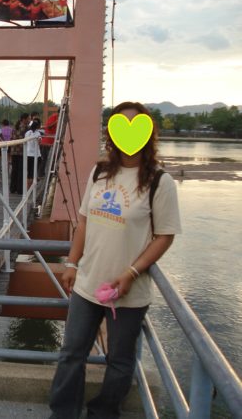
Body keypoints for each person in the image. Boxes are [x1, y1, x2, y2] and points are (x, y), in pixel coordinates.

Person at [49, 101, 181, 419]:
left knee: (119, 362)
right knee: (71, 354)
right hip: (88, 283)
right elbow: (83, 221)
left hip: (127, 292)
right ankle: (63, 412)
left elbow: (165, 235)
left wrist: (131, 273)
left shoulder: (160, 183)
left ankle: (103, 412)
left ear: (149, 135)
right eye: (122, 125)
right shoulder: (99, 172)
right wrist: (71, 263)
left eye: (137, 125)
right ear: (112, 133)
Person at [9, 113, 29, 194]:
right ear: (24, 119)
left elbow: (11, 138)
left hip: (14, 151)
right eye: (28, 118)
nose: (29, 120)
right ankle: (20, 189)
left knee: (14, 170)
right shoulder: (26, 128)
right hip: (21, 151)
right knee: (21, 171)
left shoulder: (15, 127)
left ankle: (12, 188)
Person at [40, 108, 59, 177]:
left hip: (51, 142)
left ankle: (49, 173)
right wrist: (56, 121)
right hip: (47, 142)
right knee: (45, 159)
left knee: (50, 159)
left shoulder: (56, 117)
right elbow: (48, 127)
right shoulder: (54, 117)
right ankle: (41, 174)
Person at [24, 119, 43, 189]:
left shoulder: (27, 133)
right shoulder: (38, 133)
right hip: (36, 155)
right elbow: (40, 142)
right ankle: (31, 187)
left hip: (28, 154)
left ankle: (27, 188)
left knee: (29, 172)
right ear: (37, 127)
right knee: (34, 172)